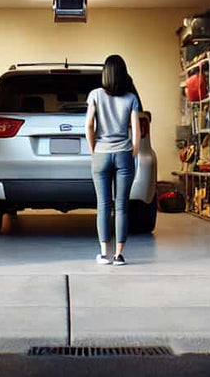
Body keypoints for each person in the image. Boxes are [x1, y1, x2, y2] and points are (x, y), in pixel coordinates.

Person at [86, 54, 142, 266]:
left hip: (100, 153)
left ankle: (103, 253)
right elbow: (135, 131)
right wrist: (133, 151)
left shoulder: (95, 95)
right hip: (124, 155)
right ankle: (119, 255)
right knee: (121, 206)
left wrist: (93, 149)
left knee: (103, 204)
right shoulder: (131, 98)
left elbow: (89, 125)